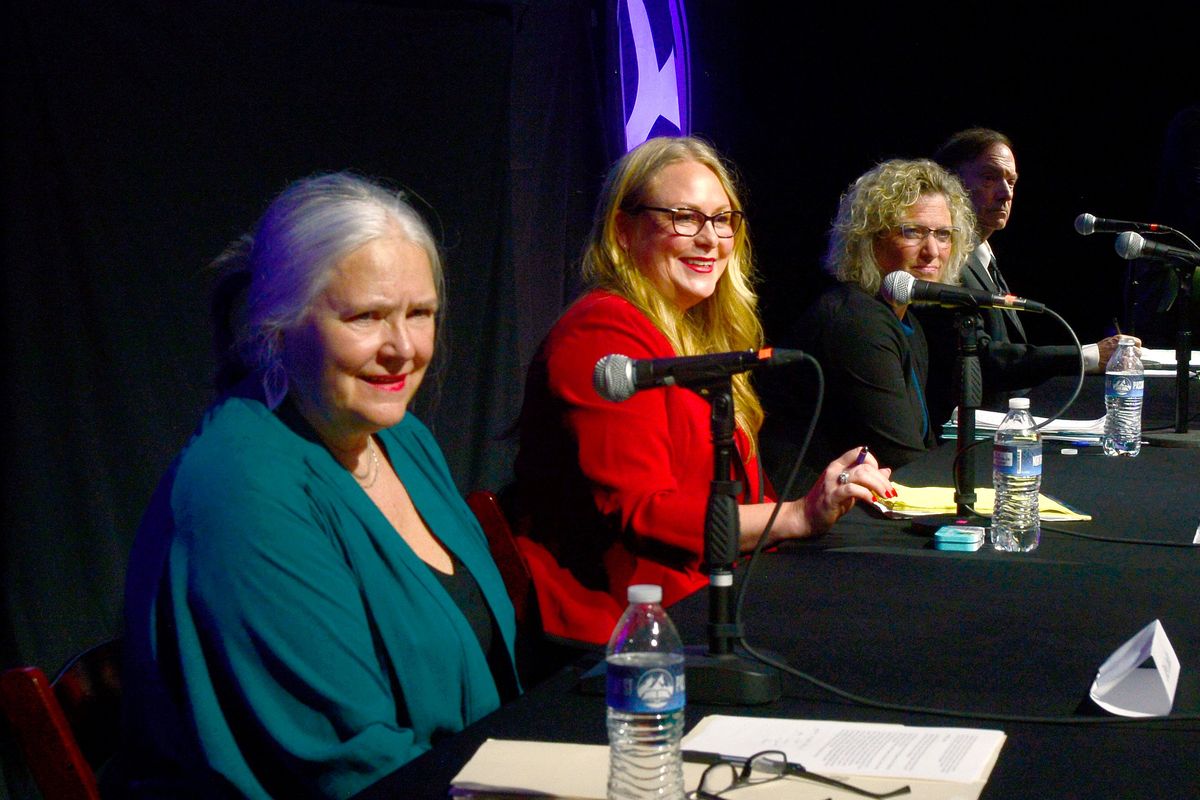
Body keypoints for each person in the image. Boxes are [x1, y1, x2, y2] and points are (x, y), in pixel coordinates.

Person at [119, 173, 518, 798]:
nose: (403, 349)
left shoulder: (401, 439)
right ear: (278, 324)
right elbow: (349, 764)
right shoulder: (243, 486)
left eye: (420, 314)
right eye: (366, 317)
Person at [511, 136, 894, 645]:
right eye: (684, 218)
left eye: (721, 219)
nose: (710, 238)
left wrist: (824, 493)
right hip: (625, 632)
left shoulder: (692, 331)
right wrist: (798, 514)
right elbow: (644, 514)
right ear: (624, 231)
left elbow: (734, 494)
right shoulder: (600, 335)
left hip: (703, 597)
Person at [759, 159, 974, 485]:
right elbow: (904, 460)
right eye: (912, 232)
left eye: (943, 234)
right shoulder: (857, 322)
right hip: (810, 517)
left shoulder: (904, 321)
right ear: (870, 239)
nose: (932, 250)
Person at [925, 128, 1130, 425]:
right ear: (950, 182)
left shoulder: (982, 256)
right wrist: (1088, 355)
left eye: (1011, 181)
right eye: (989, 177)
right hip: (960, 440)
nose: (1006, 193)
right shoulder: (941, 262)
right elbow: (982, 359)